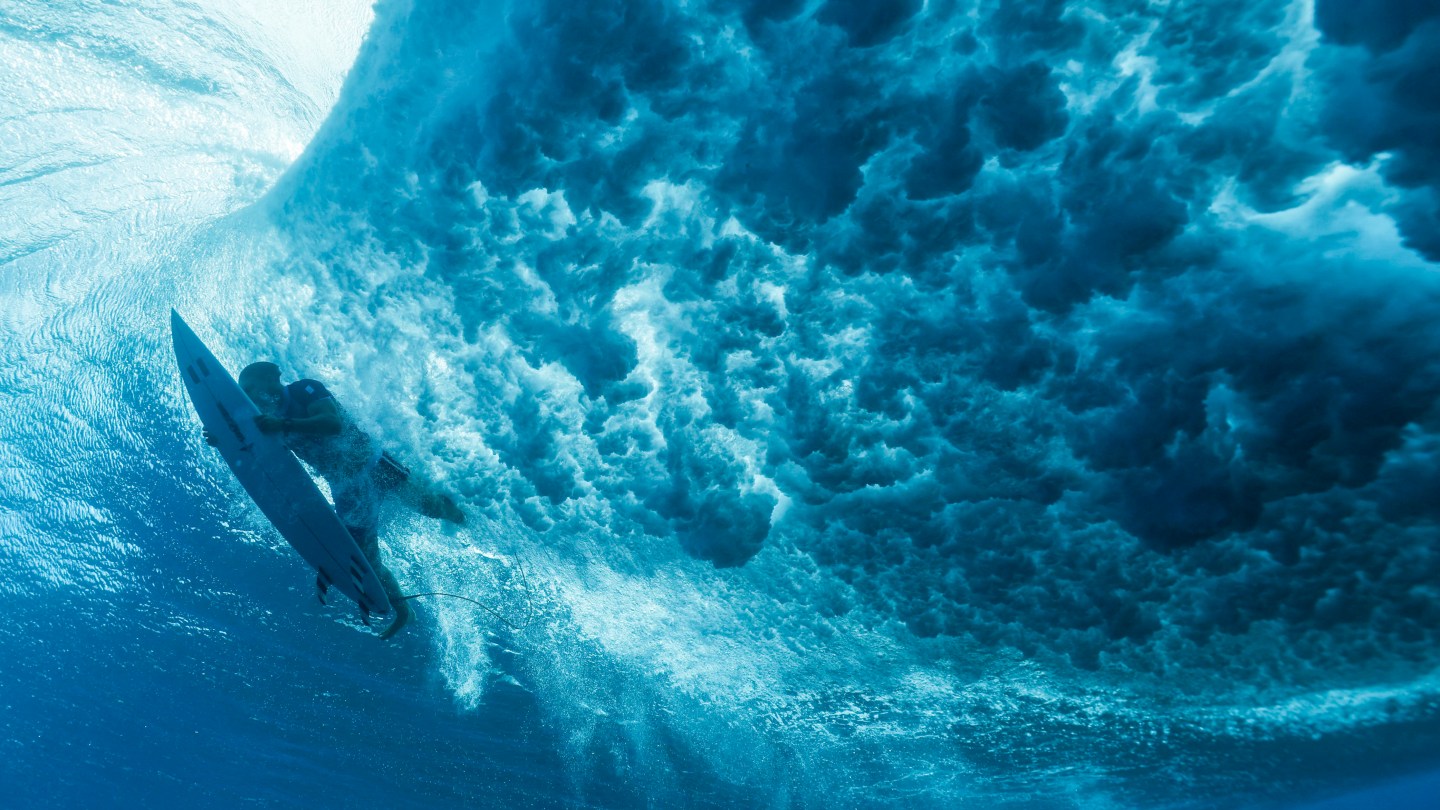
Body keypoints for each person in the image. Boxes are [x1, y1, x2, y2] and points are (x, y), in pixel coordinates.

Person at [215, 361, 465, 639]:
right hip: (349, 493)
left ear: (271, 378)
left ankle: (461, 513)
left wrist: (282, 424)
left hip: (375, 466)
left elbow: (332, 424)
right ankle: (403, 611)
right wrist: (221, 437)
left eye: (250, 388)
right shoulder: (265, 420)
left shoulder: (303, 389)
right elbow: (248, 446)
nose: (248, 395)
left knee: (431, 508)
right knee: (366, 562)